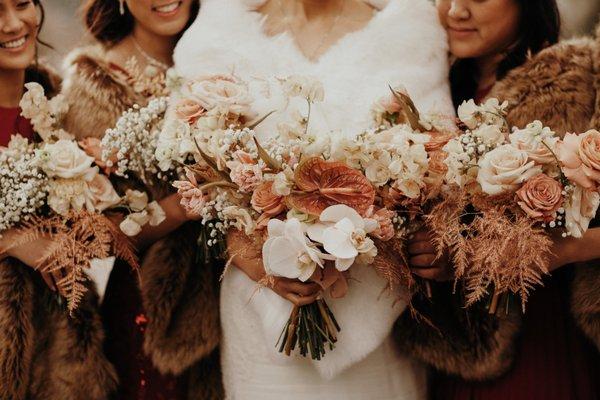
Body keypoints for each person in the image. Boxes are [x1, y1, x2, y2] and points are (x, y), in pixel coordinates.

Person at [172, 0, 522, 398]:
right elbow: (193, 180)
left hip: (377, 312)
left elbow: (441, 171)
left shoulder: (411, 29)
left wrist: (434, 242)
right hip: (257, 312)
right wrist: (244, 250)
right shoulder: (220, 30)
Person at [408, 1, 600, 398]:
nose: (456, 11)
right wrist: (430, 248)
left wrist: (564, 248)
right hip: (461, 344)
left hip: (546, 336)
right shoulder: (429, 89)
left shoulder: (582, 78)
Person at [60, 1, 222, 399]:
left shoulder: (228, 50)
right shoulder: (92, 88)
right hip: (159, 311)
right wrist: (180, 206)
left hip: (250, 294)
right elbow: (99, 235)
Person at [0, 1, 119, 399]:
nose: (14, 24)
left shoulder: (60, 105)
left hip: (60, 356)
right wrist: (14, 240)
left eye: (22, 4)